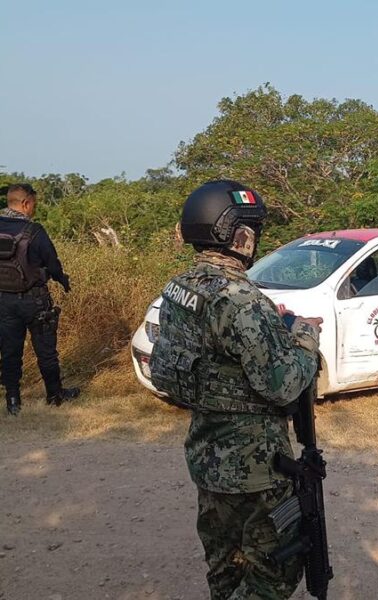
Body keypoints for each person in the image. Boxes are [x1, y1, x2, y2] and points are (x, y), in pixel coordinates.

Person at [149, 180, 323, 598]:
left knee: (225, 569)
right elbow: (282, 386)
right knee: (273, 572)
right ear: (234, 232)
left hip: (207, 458)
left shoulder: (180, 289)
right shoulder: (240, 299)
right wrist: (304, 338)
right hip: (256, 470)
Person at [0, 183, 79, 416]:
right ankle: (55, 395)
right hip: (34, 301)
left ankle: (13, 400)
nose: (34, 208)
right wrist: (62, 280)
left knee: (10, 351)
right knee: (45, 350)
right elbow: (52, 264)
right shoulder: (34, 231)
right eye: (34, 203)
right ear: (25, 203)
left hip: (4, 300)